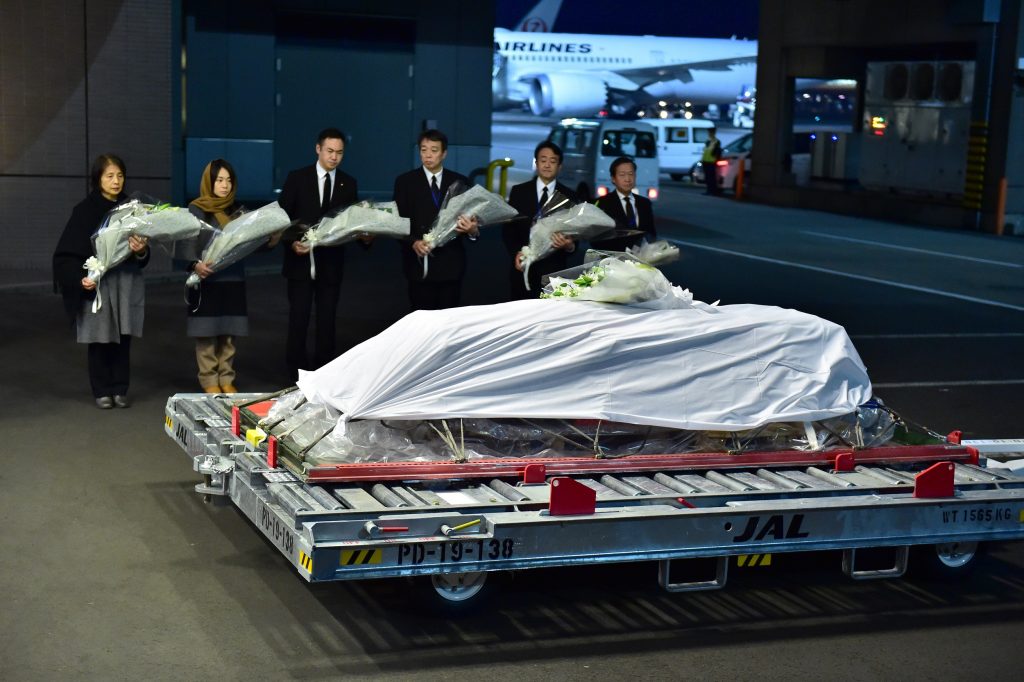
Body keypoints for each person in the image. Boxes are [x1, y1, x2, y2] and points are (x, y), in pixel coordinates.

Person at [52, 154, 149, 409]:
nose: (116, 181)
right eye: (109, 176)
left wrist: (140, 250)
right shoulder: (84, 210)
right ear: (98, 179)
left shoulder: (133, 208)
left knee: (123, 337)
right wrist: (80, 278)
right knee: (99, 338)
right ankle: (102, 389)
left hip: (126, 282)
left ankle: (120, 388)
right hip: (99, 284)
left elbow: (143, 255)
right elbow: (67, 253)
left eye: (120, 175)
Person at [278, 128, 358, 378]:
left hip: (331, 264)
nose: (334, 157)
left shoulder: (349, 183)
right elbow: (281, 219)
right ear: (318, 149)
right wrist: (291, 243)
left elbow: (351, 222)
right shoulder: (297, 178)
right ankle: (294, 375)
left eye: (339, 153)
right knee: (298, 319)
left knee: (327, 321)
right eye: (330, 151)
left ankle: (324, 375)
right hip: (299, 262)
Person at [179, 159, 251, 394]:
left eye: (229, 180)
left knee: (229, 334)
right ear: (209, 182)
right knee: (207, 335)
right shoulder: (196, 209)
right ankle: (209, 380)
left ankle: (226, 377)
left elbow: (251, 243)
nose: (225, 185)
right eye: (219, 180)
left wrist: (270, 235)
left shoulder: (238, 210)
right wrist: (194, 264)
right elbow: (186, 243)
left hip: (232, 278)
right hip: (205, 279)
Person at [393, 129, 479, 310]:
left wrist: (472, 231)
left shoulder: (460, 182)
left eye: (434, 150)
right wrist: (413, 242)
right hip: (418, 262)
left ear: (444, 153)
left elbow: (472, 224)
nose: (428, 155)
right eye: (424, 150)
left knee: (448, 319)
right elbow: (397, 223)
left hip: (450, 263)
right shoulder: (405, 182)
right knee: (421, 319)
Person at [503, 140, 577, 298]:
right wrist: (516, 252)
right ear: (536, 163)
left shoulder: (569, 196)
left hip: (554, 268)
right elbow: (509, 230)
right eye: (543, 160)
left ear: (560, 166)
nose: (547, 165)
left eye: (553, 161)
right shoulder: (519, 192)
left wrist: (569, 245)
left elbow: (575, 235)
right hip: (523, 266)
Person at [590, 156, 656, 252]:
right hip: (612, 261)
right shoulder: (602, 203)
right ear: (613, 178)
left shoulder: (644, 203)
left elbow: (651, 233)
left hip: (641, 262)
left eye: (631, 174)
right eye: (622, 175)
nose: (627, 179)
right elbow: (595, 239)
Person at [701, 127, 723, 196]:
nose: (709, 134)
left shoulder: (716, 141)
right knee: (707, 177)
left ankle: (712, 191)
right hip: (705, 161)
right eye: (709, 132)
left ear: (714, 133)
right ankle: (708, 190)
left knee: (711, 178)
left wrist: (716, 160)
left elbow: (717, 152)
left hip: (711, 162)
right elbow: (705, 151)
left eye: (710, 132)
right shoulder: (707, 141)